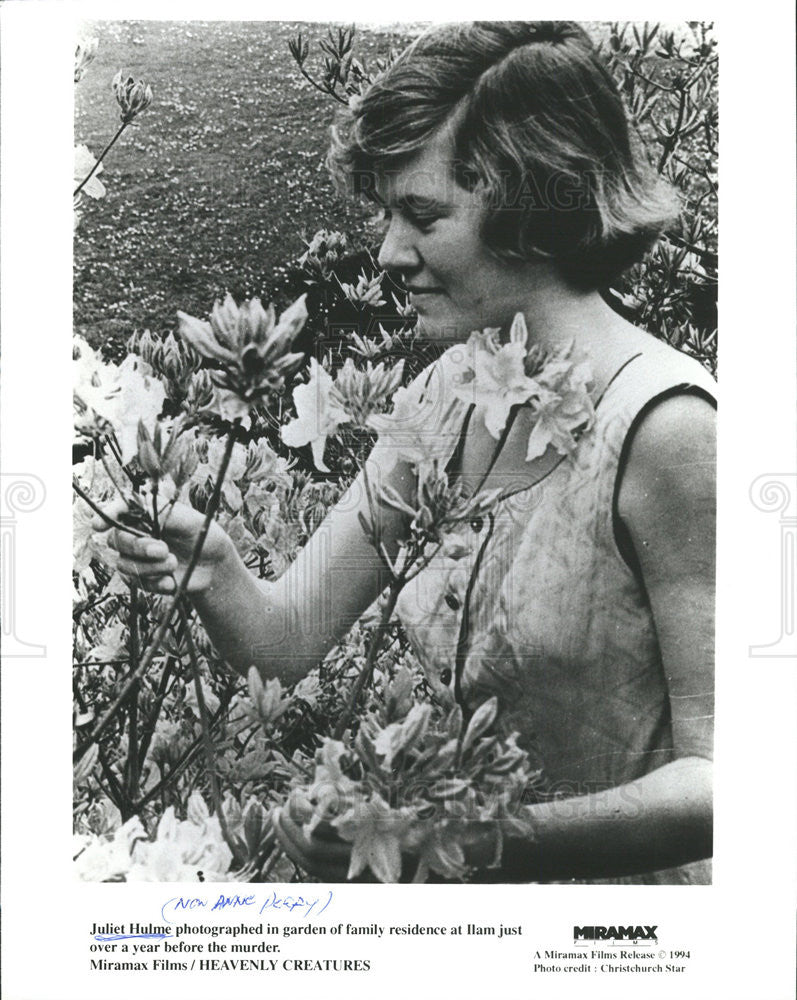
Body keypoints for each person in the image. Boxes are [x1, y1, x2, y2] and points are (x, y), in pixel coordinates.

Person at [100, 21, 715, 884]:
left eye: (421, 215)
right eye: (387, 215)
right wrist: (215, 568)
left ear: (533, 207)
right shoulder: (440, 399)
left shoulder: (670, 432)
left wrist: (454, 838)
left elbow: (724, 787)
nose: (389, 252)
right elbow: (286, 639)